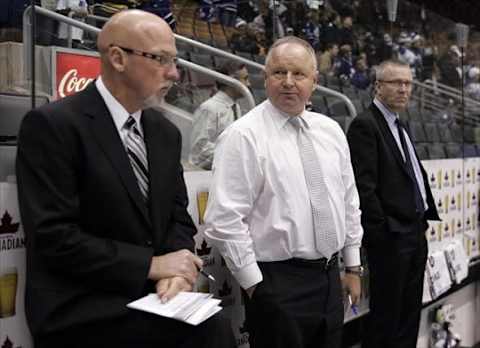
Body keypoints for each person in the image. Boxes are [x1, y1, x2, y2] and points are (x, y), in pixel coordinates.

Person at [16, 10, 235, 348]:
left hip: (150, 296)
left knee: (214, 326)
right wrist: (151, 265)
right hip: (80, 305)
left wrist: (175, 270)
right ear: (117, 58)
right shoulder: (52, 125)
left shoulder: (165, 133)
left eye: (174, 61)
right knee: (209, 333)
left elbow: (178, 218)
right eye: (161, 59)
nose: (174, 73)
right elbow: (53, 238)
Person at [204, 36, 364, 348]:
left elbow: (348, 201)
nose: (288, 82)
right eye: (278, 73)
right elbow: (223, 221)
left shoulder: (330, 131)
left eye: (298, 74)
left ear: (314, 82)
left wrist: (353, 266)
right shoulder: (243, 136)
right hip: (277, 285)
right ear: (265, 78)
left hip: (330, 278)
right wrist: (256, 287)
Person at [346, 59, 440, 348]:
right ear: (378, 86)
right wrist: (382, 234)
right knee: (387, 319)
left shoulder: (400, 124)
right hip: (391, 239)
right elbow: (365, 189)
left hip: (414, 232)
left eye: (408, 83)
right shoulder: (365, 124)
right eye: (396, 83)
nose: (403, 89)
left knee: (410, 315)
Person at [189, 61, 250, 170]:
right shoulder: (209, 108)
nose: (248, 84)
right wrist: (234, 153)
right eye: (245, 79)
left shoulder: (236, 107)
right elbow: (199, 150)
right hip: (206, 174)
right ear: (232, 81)